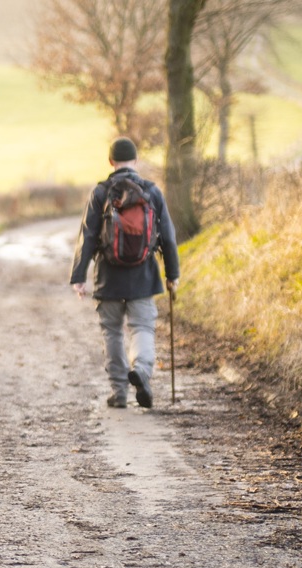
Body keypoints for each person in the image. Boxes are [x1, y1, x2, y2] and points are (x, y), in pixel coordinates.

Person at [69, 137, 180, 409]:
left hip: (108, 277)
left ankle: (119, 392)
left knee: (112, 333)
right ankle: (141, 370)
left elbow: (88, 235)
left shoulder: (100, 192)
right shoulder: (151, 191)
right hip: (144, 276)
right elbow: (167, 236)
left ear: (110, 161)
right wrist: (172, 274)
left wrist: (79, 276)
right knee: (142, 327)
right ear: (136, 160)